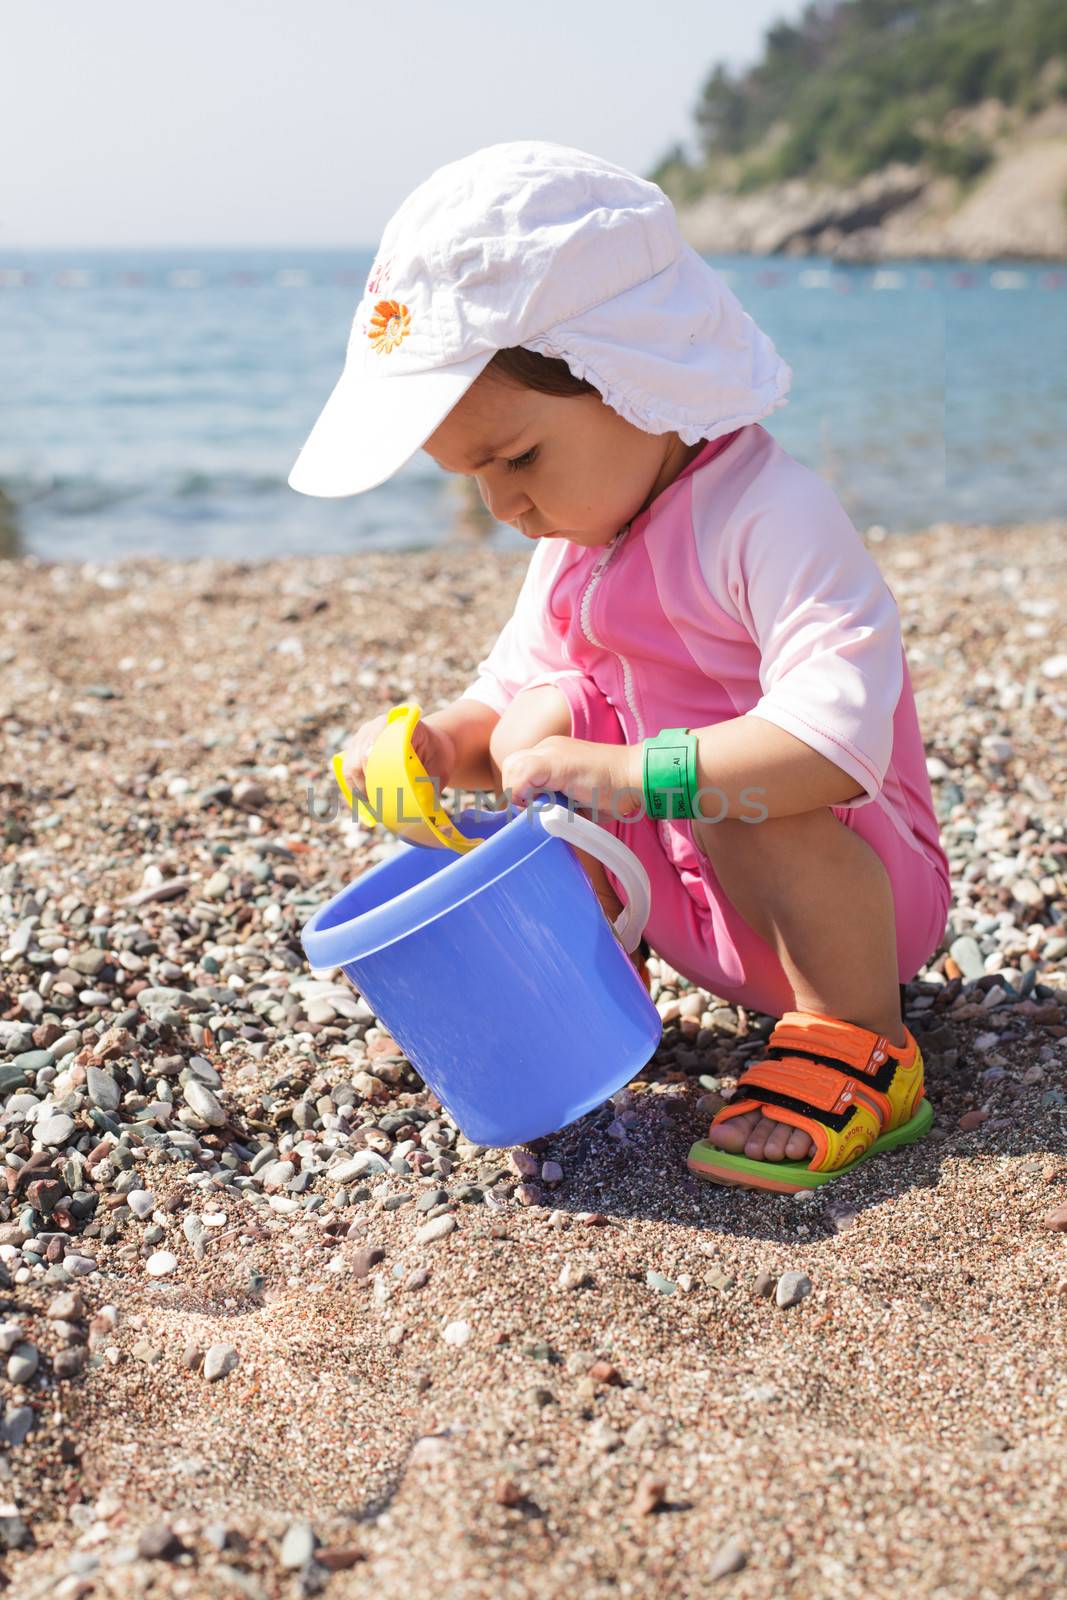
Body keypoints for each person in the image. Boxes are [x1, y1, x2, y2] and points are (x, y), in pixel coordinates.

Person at [288, 140, 951, 1193]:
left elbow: (834, 737)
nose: (502, 507)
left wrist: (634, 776)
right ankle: (586, 994)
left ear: (633, 372)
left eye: (517, 459)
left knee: (730, 779)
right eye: (472, 481)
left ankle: (854, 1040)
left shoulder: (771, 516)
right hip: (683, 902)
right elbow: (507, 696)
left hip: (849, 905)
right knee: (538, 718)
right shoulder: (575, 550)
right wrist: (430, 745)